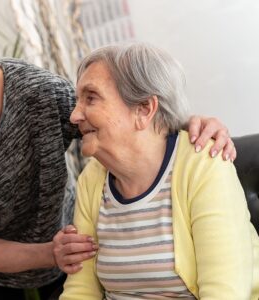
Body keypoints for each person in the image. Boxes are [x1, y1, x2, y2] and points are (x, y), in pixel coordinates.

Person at [0, 29, 236, 300]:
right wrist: (49, 252)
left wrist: (190, 124)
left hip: (68, 253)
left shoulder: (31, 90)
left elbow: (113, 115)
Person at [58, 43, 259, 299]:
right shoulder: (93, 179)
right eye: (78, 100)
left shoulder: (203, 165)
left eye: (91, 98)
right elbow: (80, 291)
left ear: (144, 109)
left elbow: (224, 293)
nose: (75, 115)